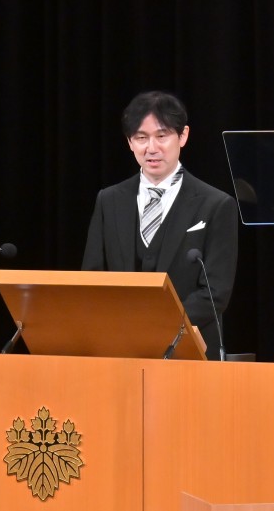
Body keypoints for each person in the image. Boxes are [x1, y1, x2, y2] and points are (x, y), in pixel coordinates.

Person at [82, 91, 238, 360]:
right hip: (120, 351)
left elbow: (215, 293)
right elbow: (92, 277)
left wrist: (155, 327)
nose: (151, 148)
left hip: (189, 352)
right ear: (130, 142)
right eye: (141, 138)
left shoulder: (216, 204)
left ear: (183, 136)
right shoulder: (109, 200)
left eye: (162, 136)